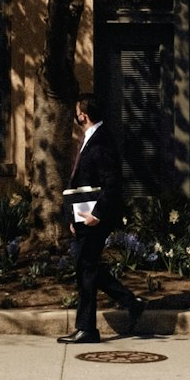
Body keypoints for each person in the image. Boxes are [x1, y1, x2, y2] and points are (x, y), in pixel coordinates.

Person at [56, 92, 146, 345]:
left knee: (85, 268)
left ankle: (87, 328)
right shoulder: (90, 138)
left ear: (82, 114)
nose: (75, 114)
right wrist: (73, 217)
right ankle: (131, 302)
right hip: (84, 216)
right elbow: (83, 182)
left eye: (76, 110)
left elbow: (112, 183)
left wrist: (96, 215)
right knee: (88, 267)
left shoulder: (102, 141)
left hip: (95, 218)